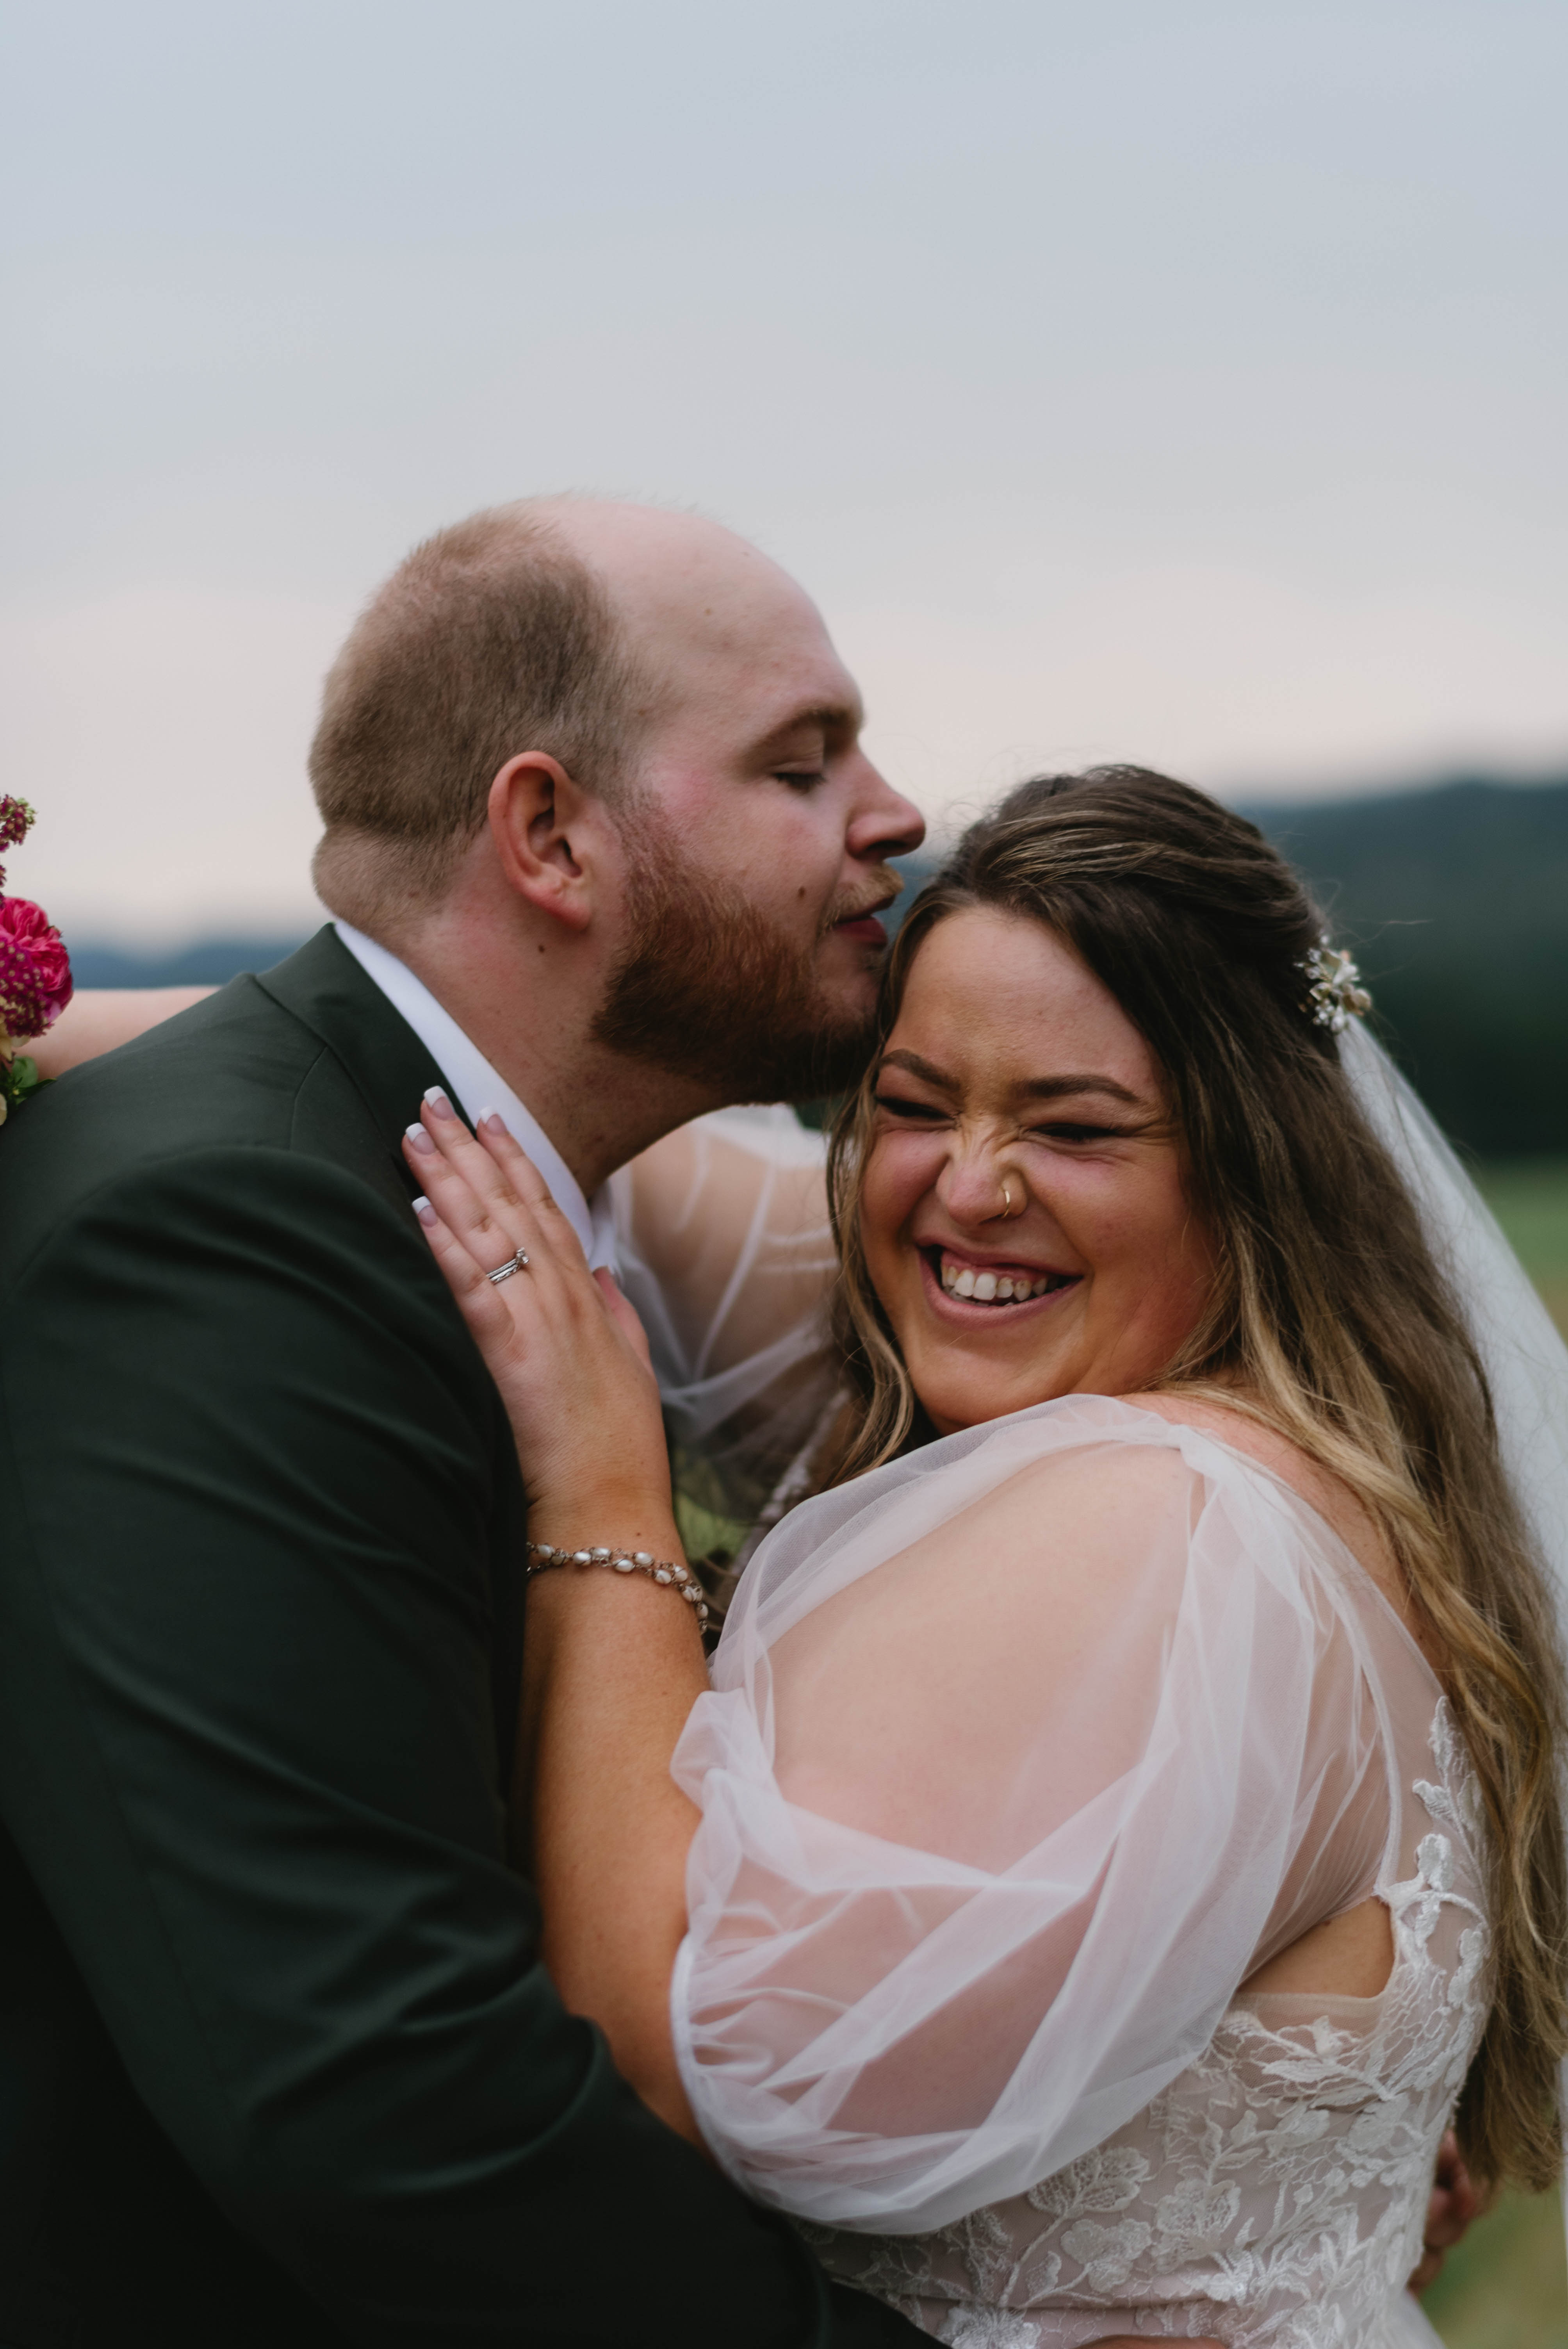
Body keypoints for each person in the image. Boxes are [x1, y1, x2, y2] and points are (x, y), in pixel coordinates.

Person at [402, 766, 1568, 2346]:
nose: (965, 1184)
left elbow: (689, 2067)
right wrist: (25, 1005)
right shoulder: (1277, 1438)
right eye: (909, 1102)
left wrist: (603, 1495)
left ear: (1248, 1161)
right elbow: (451, 1081)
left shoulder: (1156, 1517)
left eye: (1070, 1126)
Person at [0, 497, 934, 2345]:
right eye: (799, 760)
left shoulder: (454, 1182)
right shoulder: (227, 1239)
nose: (893, 812)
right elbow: (367, 2091)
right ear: (549, 834)